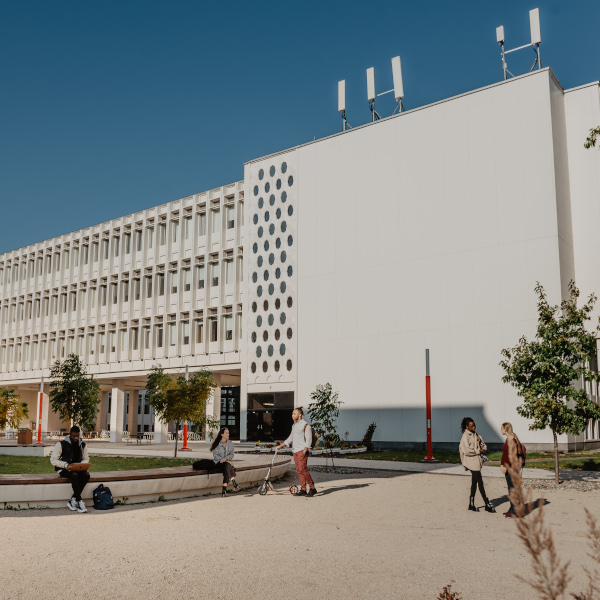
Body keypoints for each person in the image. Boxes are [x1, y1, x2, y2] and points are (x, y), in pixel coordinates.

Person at [276, 407, 316, 497]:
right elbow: (291, 438)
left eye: (294, 413)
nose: (292, 415)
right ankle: (303, 489)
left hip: (302, 451)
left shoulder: (306, 425)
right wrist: (281, 446)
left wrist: (305, 450)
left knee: (303, 469)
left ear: (300, 414)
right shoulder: (294, 425)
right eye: (292, 413)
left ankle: (312, 488)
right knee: (299, 470)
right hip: (295, 451)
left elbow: (309, 439)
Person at [50, 425, 90, 513]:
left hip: (77, 468)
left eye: (77, 436)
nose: (76, 438)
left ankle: (72, 499)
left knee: (86, 475)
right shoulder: (61, 444)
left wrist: (80, 465)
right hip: (63, 469)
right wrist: (66, 465)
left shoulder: (82, 444)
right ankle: (79, 501)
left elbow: (86, 458)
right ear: (70, 434)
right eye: (74, 436)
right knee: (74, 475)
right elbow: (53, 460)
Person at [459, 417, 495, 513]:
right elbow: (466, 451)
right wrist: (479, 451)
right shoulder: (465, 436)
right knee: (480, 482)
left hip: (477, 462)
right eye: (472, 426)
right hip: (471, 462)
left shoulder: (476, 434)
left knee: (474, 483)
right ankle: (487, 504)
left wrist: (480, 442)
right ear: (467, 426)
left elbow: (485, 447)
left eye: (474, 425)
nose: (474, 427)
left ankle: (471, 504)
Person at [500, 422, 523, 519]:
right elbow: (505, 455)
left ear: (505, 429)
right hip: (509, 468)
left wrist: (505, 466)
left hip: (512, 469)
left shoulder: (512, 441)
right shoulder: (509, 439)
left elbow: (511, 457)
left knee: (512, 490)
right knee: (511, 490)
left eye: (501, 428)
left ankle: (515, 511)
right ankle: (512, 510)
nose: (500, 430)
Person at [210, 426, 240, 497]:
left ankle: (224, 491)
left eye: (228, 433)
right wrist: (224, 460)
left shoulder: (230, 443)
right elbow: (215, 456)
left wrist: (226, 459)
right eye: (226, 433)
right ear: (222, 434)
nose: (228, 434)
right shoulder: (217, 444)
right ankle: (233, 482)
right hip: (218, 463)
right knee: (227, 466)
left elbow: (232, 454)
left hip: (226, 463)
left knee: (226, 468)